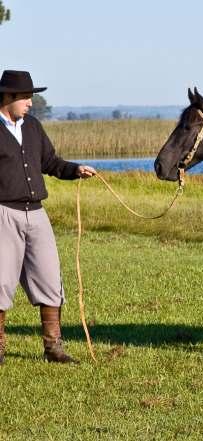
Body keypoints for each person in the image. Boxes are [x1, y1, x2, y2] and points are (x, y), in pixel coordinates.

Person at [0, 70, 96, 364]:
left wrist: (75, 169)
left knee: (50, 277)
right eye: (26, 97)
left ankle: (53, 348)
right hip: (3, 213)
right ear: (9, 98)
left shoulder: (33, 127)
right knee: (0, 282)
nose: (31, 102)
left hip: (37, 214)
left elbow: (51, 162)